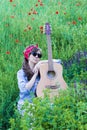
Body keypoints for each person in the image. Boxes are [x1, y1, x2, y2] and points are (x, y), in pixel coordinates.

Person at [17, 44, 61, 112]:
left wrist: (41, 62)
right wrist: (35, 75)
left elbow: (58, 61)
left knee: (55, 108)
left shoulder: (42, 69)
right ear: (28, 56)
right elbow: (24, 89)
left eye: (39, 55)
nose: (37, 56)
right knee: (34, 114)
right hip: (26, 103)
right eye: (34, 54)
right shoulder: (21, 73)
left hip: (40, 101)